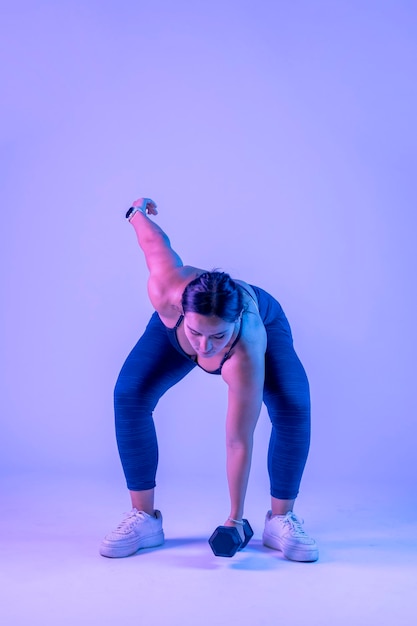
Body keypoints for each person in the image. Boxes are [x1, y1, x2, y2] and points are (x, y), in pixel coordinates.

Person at [100, 197, 318, 562]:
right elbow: (153, 242)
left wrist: (235, 518)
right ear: (181, 309)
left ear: (233, 326)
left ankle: (280, 519)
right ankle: (145, 518)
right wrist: (137, 212)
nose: (205, 348)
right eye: (198, 334)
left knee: (293, 405)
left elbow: (238, 440)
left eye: (217, 338)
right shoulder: (166, 291)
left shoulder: (247, 348)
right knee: (130, 394)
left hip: (266, 321)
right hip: (179, 325)